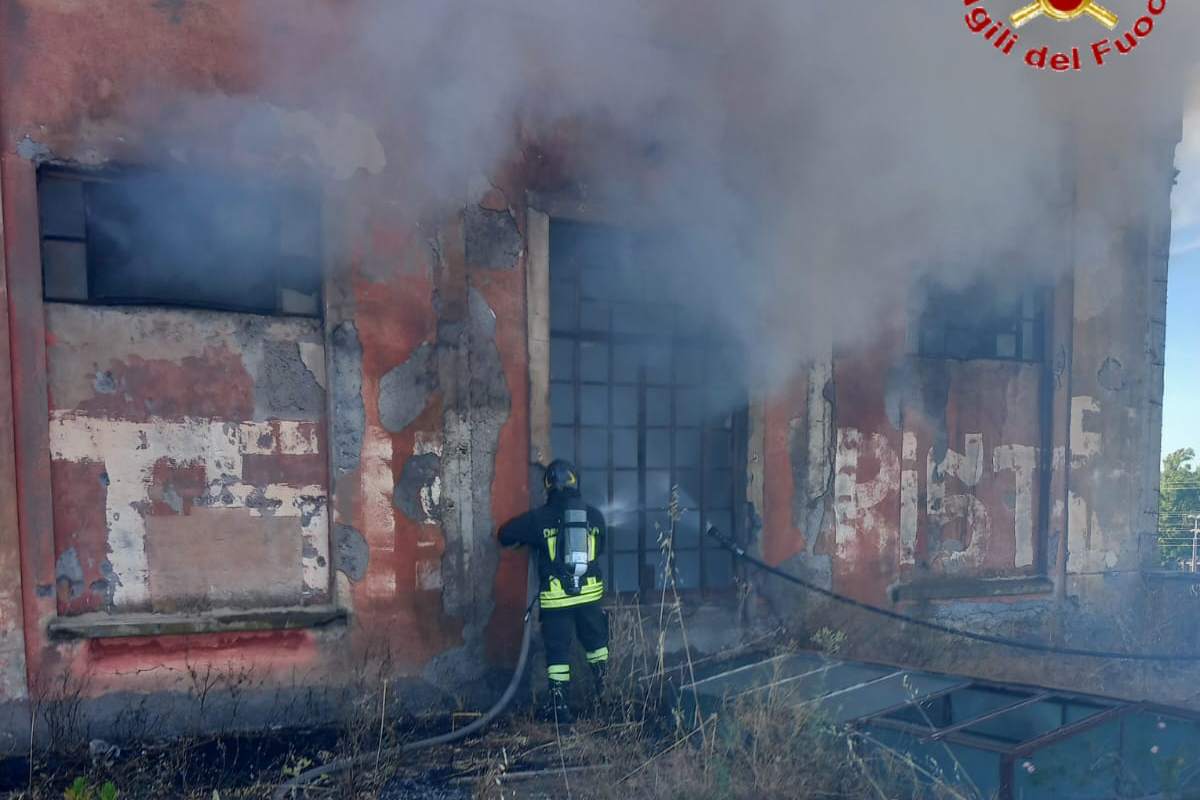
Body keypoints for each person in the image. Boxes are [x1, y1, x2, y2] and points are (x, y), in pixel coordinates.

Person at [497, 459, 608, 723]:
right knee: (597, 645)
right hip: (590, 596)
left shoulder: (538, 518)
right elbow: (600, 547)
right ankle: (605, 692)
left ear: (548, 486)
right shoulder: (594, 515)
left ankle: (560, 706)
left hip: (557, 600)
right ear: (575, 482)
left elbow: (504, 534)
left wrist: (525, 544)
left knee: (558, 651)